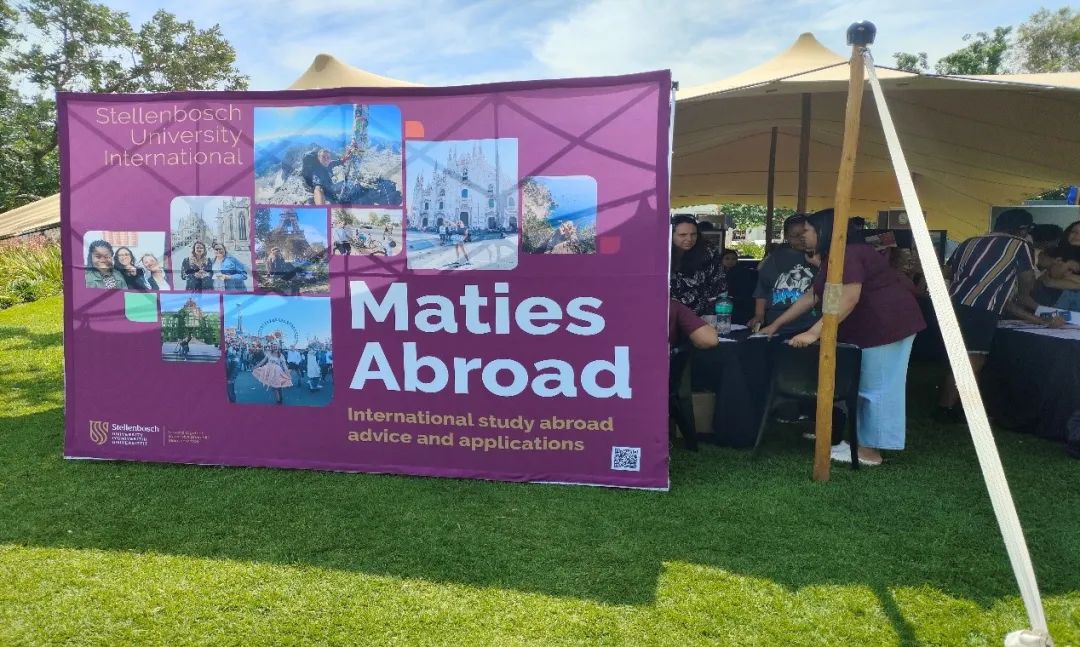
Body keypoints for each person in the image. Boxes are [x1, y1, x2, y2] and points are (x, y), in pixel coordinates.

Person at [761, 209, 926, 466]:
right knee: (867, 385)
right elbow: (813, 295)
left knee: (877, 388)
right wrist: (776, 324)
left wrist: (813, 332)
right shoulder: (835, 256)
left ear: (824, 230)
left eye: (808, 230)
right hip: (874, 327)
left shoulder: (850, 254)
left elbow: (848, 298)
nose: (803, 236)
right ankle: (863, 442)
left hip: (886, 325)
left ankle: (869, 452)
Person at [938, 208, 1064, 421]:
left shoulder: (969, 241)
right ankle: (947, 409)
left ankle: (957, 407)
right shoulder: (1019, 245)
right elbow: (1026, 283)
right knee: (972, 360)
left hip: (954, 303)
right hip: (980, 309)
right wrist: (1030, 299)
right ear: (1023, 230)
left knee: (964, 357)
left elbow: (948, 272)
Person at [748, 214, 819, 334]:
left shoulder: (819, 257)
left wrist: (818, 263)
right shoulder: (775, 258)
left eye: (804, 234)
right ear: (786, 236)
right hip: (776, 323)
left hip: (810, 324)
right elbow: (763, 288)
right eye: (795, 235)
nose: (801, 239)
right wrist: (759, 314)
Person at [670, 214, 726, 315]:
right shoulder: (659, 255)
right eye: (682, 235)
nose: (689, 239)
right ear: (671, 235)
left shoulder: (708, 252)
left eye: (693, 234)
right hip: (668, 314)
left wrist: (712, 315)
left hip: (700, 314)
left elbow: (718, 284)